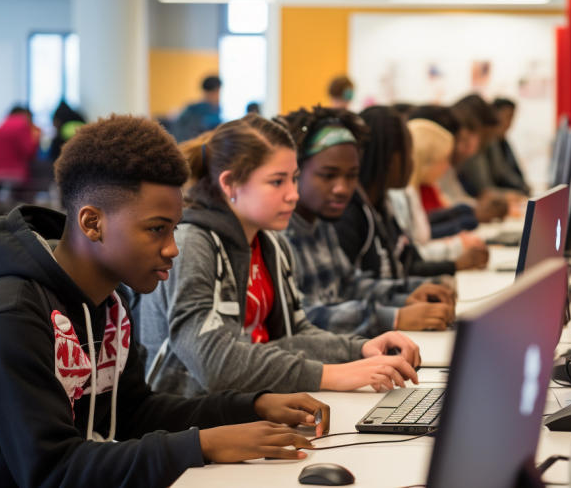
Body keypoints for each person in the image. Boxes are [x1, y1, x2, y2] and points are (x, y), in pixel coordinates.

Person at [0, 115, 330, 486]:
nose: (173, 249)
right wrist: (204, 445)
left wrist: (252, 406)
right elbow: (52, 471)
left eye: (174, 229)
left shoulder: (110, 305)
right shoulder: (11, 318)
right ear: (92, 223)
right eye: (157, 230)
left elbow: (132, 412)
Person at [140, 114, 421, 397]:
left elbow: (294, 334)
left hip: (255, 405)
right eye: (277, 182)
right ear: (230, 185)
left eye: (294, 179)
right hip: (194, 423)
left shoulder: (271, 245)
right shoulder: (192, 245)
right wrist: (331, 374)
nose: (293, 195)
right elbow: (214, 364)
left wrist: (359, 348)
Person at [281, 106, 456, 336]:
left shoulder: (321, 222)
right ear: (296, 171)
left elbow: (349, 285)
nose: (342, 188)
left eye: (352, 175)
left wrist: (409, 293)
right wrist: (394, 317)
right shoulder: (279, 234)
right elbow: (302, 318)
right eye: (328, 175)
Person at [335, 105, 484, 279]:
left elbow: (407, 260)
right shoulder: (351, 215)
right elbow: (366, 290)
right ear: (388, 156)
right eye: (407, 153)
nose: (412, 164)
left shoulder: (382, 205)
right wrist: (455, 263)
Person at [388, 117, 489, 271]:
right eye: (444, 159)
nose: (447, 166)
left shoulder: (418, 190)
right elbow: (412, 252)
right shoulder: (401, 196)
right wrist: (456, 247)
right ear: (426, 161)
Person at [408, 105, 508, 223]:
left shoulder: (430, 183)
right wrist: (475, 215)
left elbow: (451, 203)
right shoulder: (413, 189)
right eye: (462, 140)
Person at [454, 94, 530, 198]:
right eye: (507, 117)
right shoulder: (482, 144)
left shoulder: (499, 141)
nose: (509, 123)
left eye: (512, 118)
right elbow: (484, 188)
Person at [0, 105, 42, 196]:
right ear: (26, 115)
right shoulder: (22, 124)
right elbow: (29, 152)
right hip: (14, 175)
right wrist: (36, 138)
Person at [174, 75, 223, 143]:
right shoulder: (193, 110)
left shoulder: (217, 109)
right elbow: (183, 133)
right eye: (216, 92)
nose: (218, 96)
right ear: (208, 92)